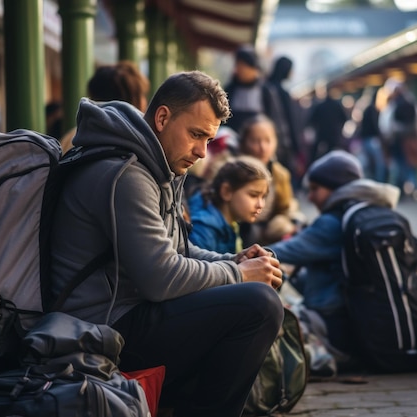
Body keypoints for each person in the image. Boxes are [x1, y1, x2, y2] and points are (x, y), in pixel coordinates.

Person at [49, 71, 285, 417]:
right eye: (196, 135)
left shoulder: (159, 166)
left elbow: (177, 250)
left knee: (257, 292)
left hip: (131, 311)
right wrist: (238, 276)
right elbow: (161, 278)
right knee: (259, 304)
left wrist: (234, 260)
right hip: (98, 329)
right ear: (162, 118)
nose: (202, 152)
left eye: (208, 139)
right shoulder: (126, 174)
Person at [267, 150, 400, 368]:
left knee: (271, 315)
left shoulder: (332, 223)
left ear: (336, 188)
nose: (310, 197)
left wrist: (238, 257)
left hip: (332, 326)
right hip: (357, 326)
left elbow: (283, 251)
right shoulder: (367, 211)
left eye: (315, 189)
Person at [238, 114, 304, 246]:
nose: (262, 147)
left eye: (268, 141)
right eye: (255, 141)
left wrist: (278, 226)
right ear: (244, 142)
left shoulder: (280, 174)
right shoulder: (232, 168)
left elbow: (284, 208)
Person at [59, 60, 150, 153]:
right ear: (133, 100)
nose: (145, 102)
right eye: (142, 94)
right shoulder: (135, 143)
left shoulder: (71, 137)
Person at [188, 156, 272, 254]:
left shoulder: (232, 222)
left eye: (263, 197)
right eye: (253, 195)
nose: (260, 204)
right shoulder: (204, 230)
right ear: (226, 192)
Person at [378, 78, 417, 199]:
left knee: (399, 165)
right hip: (412, 139)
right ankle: (415, 187)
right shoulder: (412, 102)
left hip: (397, 141)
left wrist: (388, 139)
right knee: (411, 165)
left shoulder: (391, 105)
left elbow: (385, 125)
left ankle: (399, 191)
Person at [265, 56, 303, 186]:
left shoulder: (266, 87)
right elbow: (291, 123)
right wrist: (297, 148)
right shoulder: (283, 93)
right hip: (281, 145)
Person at [223, 45, 273, 134]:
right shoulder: (230, 90)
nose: (240, 70)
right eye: (238, 65)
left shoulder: (265, 91)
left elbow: (274, 121)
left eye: (244, 66)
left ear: (254, 68)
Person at [305, 85, 348, 164]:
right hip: (335, 136)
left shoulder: (320, 106)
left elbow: (311, 121)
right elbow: (344, 119)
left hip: (322, 136)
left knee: (322, 157)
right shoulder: (337, 105)